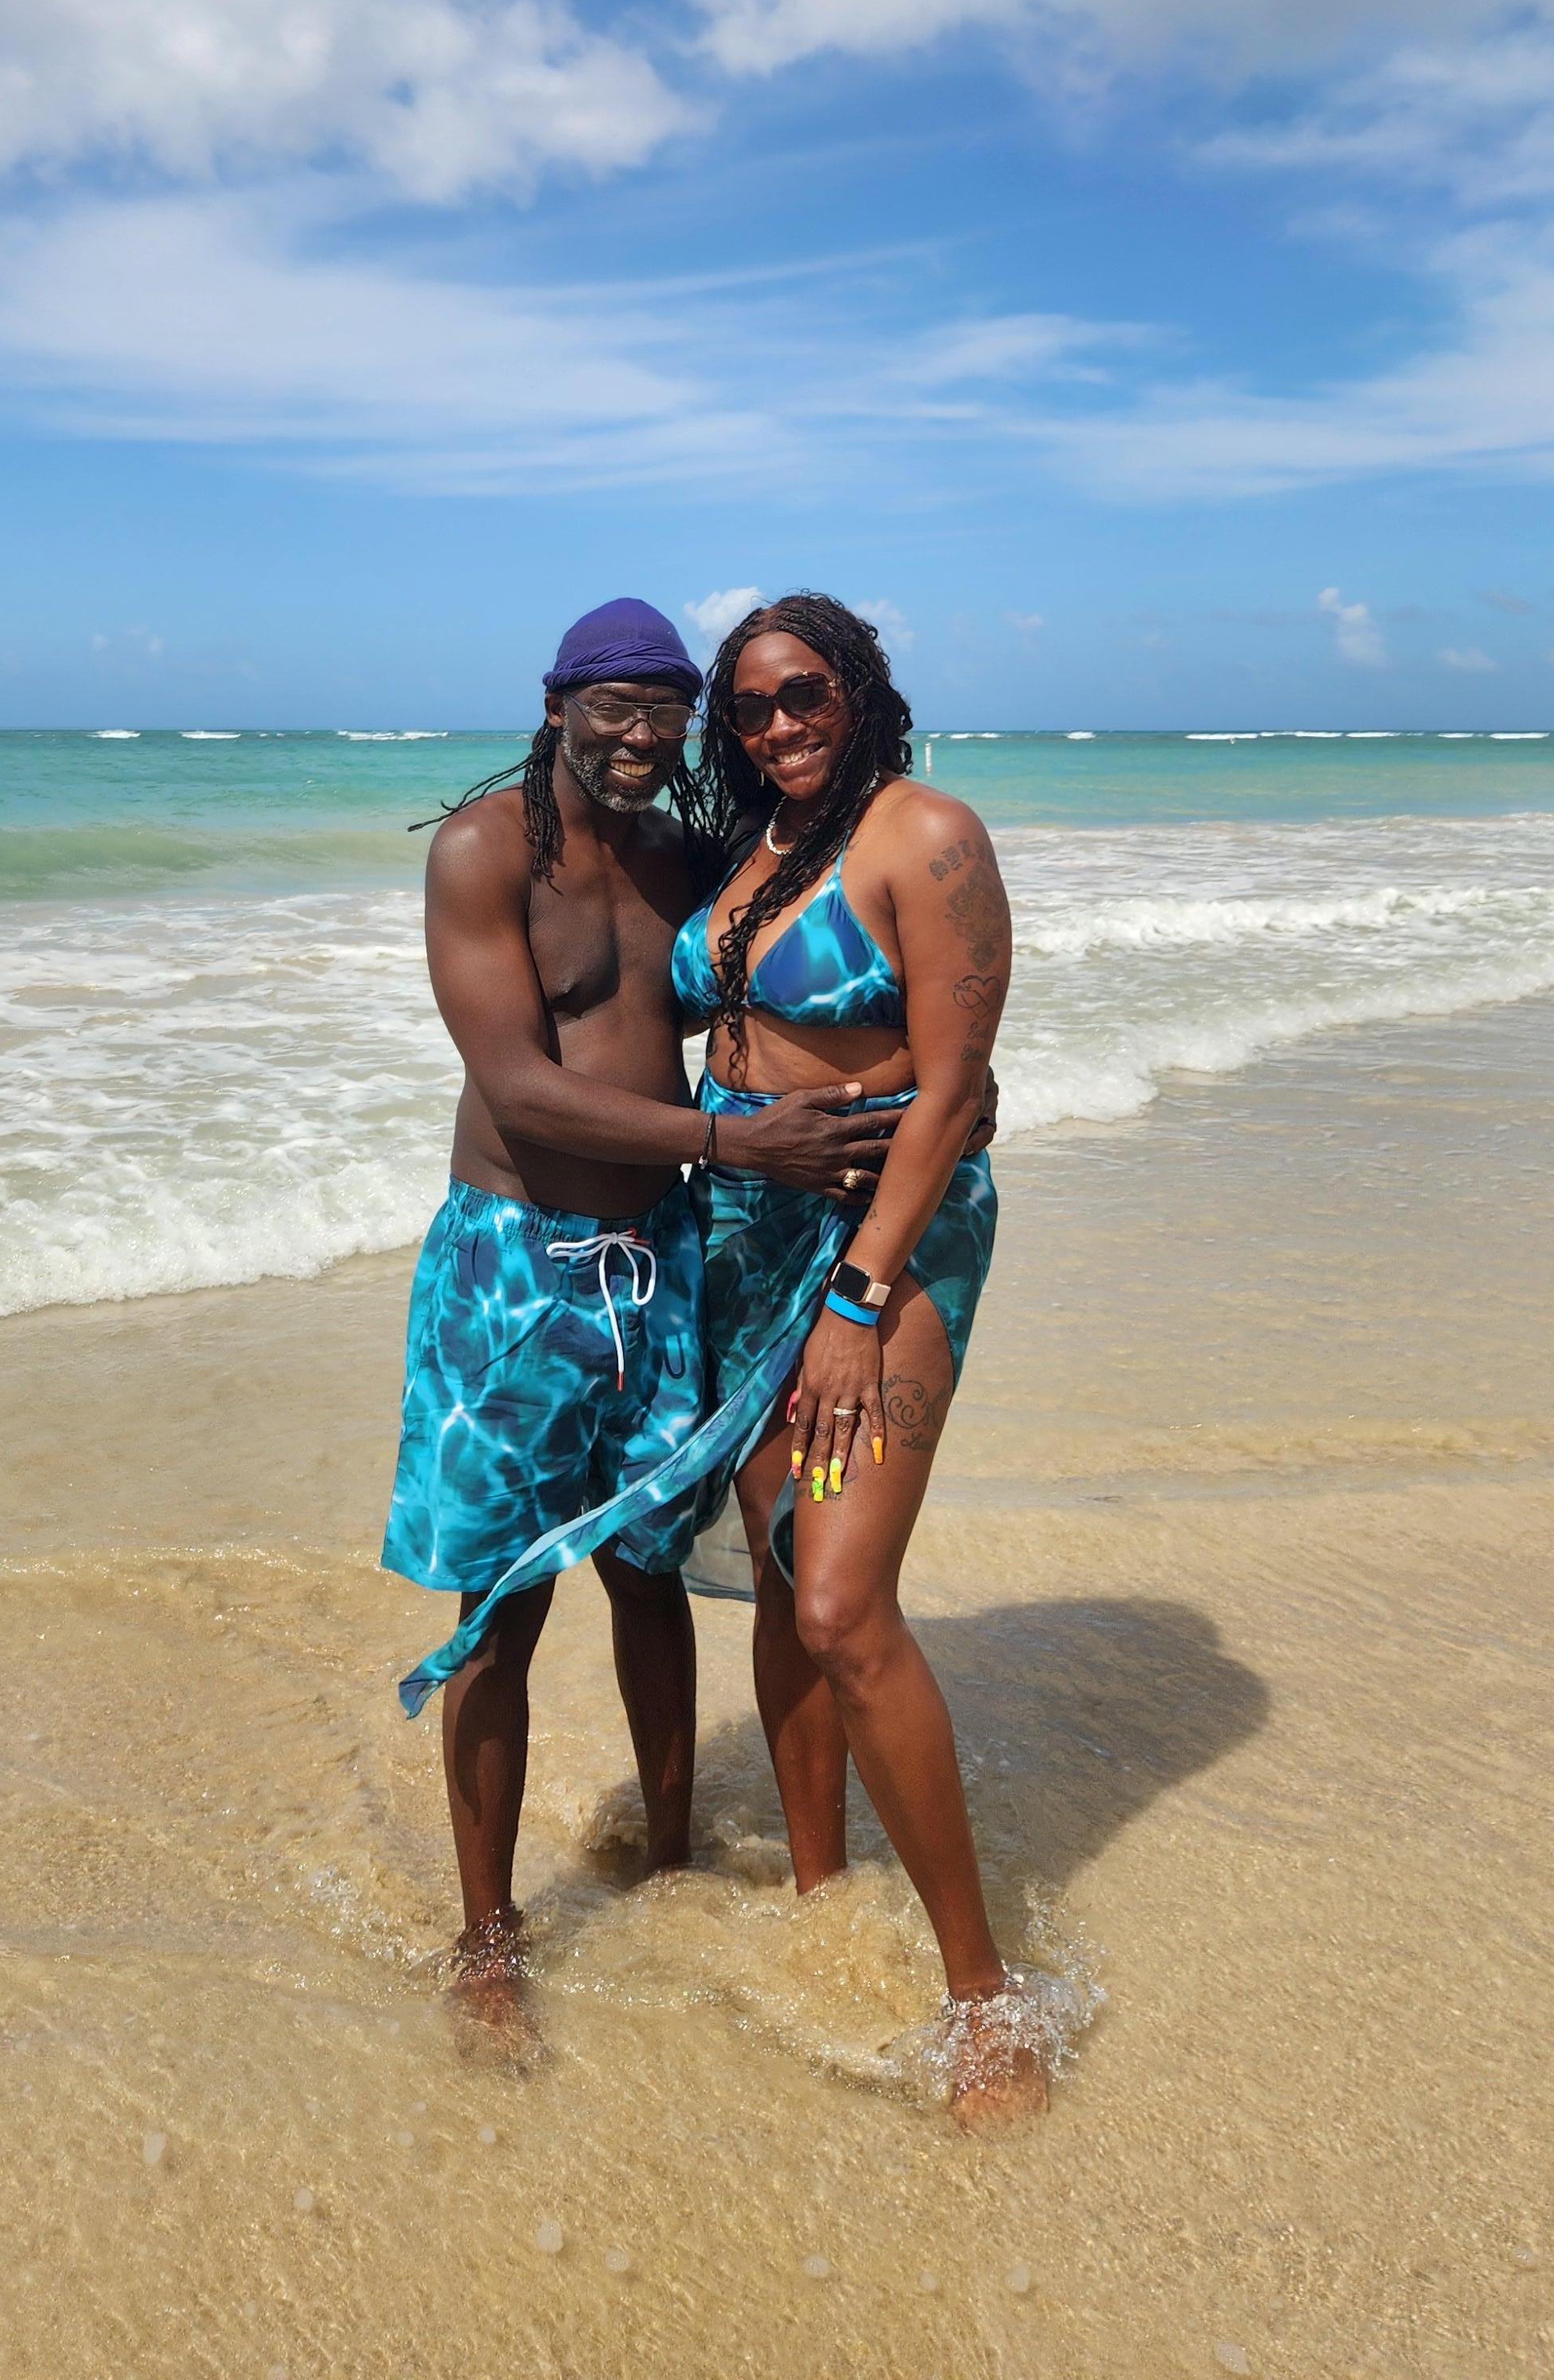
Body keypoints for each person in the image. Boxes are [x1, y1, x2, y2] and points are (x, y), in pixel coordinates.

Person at [383, 598, 908, 2065]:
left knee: (647, 1571)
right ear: (555, 704)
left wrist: (930, 1089)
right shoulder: (481, 853)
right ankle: (490, 1935)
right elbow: (523, 1085)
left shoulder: (682, 854)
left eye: (662, 710)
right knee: (500, 1605)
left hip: (662, 1261)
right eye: (608, 705)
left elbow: (766, 990)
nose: (635, 735)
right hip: (514, 1265)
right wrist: (736, 1150)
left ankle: (668, 1854)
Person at [670, 592, 1045, 2132]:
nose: (776, 726)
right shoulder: (751, 849)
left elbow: (956, 1088)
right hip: (740, 1237)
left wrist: (861, 1289)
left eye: (801, 694)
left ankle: (984, 1998)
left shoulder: (926, 836)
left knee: (842, 1601)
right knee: (773, 1574)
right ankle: (823, 1894)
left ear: (860, 688)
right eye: (747, 708)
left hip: (881, 1246)